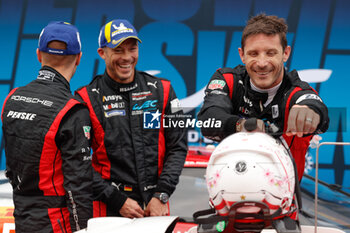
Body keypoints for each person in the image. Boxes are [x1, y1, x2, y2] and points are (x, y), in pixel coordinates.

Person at [76, 19, 187, 218]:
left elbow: (178, 146)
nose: (126, 57)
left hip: (155, 207)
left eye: (132, 48)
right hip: (108, 209)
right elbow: (78, 161)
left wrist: (161, 194)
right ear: (102, 53)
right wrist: (117, 200)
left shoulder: (164, 90)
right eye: (118, 50)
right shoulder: (85, 98)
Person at [198, 14, 329, 181]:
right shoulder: (229, 80)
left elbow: (314, 107)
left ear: (285, 53)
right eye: (253, 53)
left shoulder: (296, 91)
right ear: (242, 55)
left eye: (270, 53)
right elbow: (209, 120)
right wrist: (242, 125)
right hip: (229, 196)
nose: (261, 63)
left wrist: (311, 112)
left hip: (282, 202)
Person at [1, 21, 93, 233]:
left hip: (22, 217)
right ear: (79, 58)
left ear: (38, 55)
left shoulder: (11, 99)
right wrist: (83, 230)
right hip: (56, 222)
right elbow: (78, 187)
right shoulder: (72, 110)